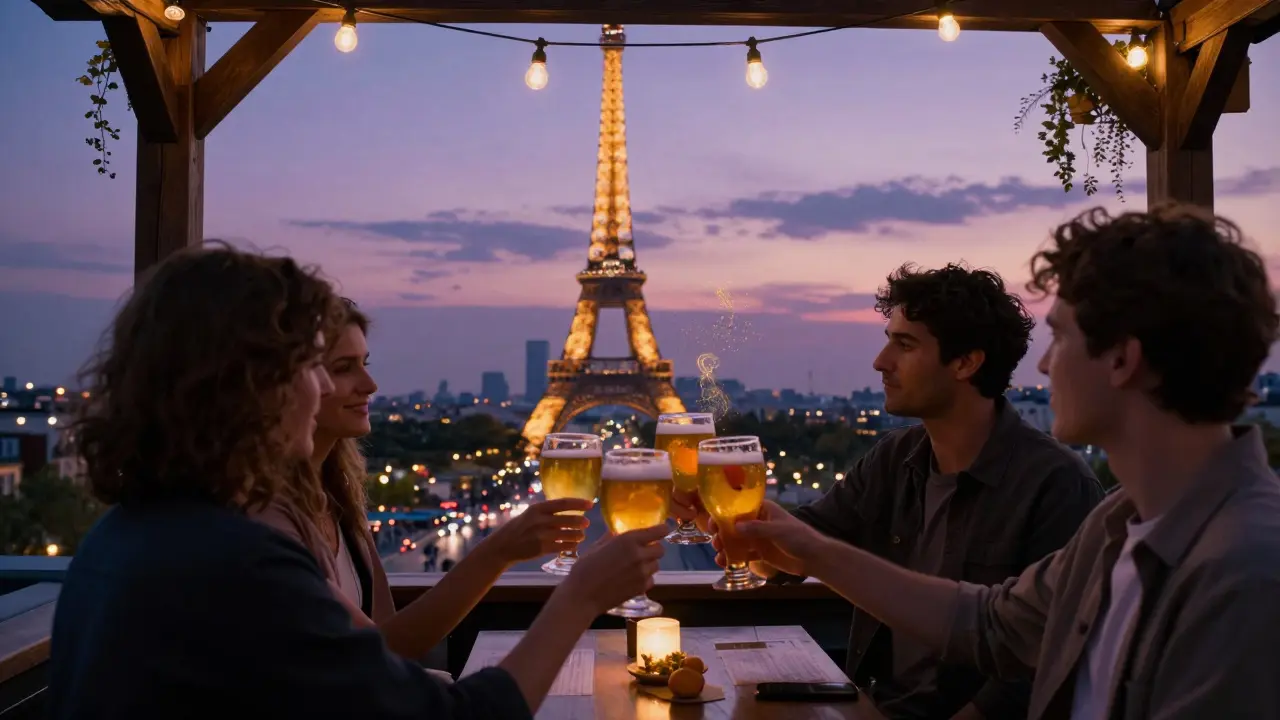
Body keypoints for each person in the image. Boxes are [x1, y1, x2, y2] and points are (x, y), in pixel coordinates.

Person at [47, 245, 666, 719]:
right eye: (309, 367)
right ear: (245, 387)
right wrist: (582, 596)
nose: (321, 389)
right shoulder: (237, 562)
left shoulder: (127, 537)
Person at [718, 206, 1280, 719]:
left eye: (1060, 338)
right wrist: (807, 546)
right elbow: (986, 623)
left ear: (1121, 359)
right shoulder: (1118, 529)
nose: (1042, 364)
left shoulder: (1245, 573)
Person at [696, 263, 1102, 719]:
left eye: (904, 344)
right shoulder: (895, 458)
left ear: (966, 362)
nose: (880, 361)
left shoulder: (1057, 485)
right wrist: (714, 517)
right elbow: (790, 555)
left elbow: (1042, 667)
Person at [254, 299, 592, 661]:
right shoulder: (264, 518)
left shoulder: (336, 496)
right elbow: (381, 656)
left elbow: (389, 644)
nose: (369, 384)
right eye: (342, 369)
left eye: (364, 364)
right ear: (280, 383)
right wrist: (502, 553)